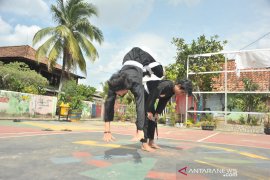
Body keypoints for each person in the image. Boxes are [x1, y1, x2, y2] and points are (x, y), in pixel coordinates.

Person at [103, 47, 164, 150]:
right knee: (111, 97)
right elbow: (109, 105)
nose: (120, 95)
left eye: (120, 93)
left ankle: (148, 70)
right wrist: (107, 131)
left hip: (142, 57)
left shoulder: (136, 85)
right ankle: (145, 72)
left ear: (126, 87)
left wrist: (140, 130)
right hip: (127, 60)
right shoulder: (114, 84)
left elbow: (140, 106)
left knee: (160, 72)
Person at [141, 79, 193, 151]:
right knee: (146, 119)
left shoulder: (172, 92)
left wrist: (157, 113)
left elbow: (163, 101)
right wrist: (149, 111)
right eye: (182, 92)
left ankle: (151, 142)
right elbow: (153, 94)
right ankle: (144, 144)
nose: (181, 94)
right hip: (144, 93)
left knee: (153, 119)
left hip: (150, 97)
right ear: (179, 86)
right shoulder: (166, 85)